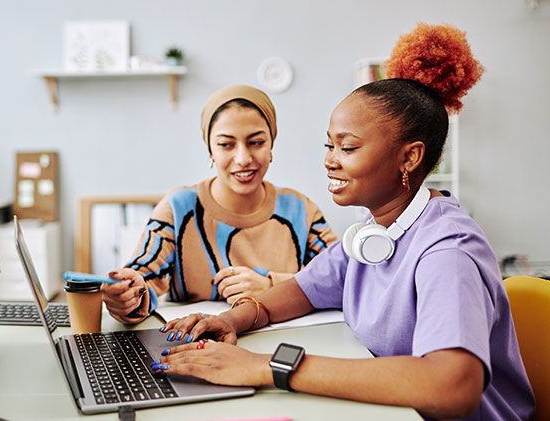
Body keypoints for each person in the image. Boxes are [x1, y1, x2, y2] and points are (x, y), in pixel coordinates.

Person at [151, 23, 535, 420]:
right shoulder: (374, 234)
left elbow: (453, 386)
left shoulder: (447, 251)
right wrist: (231, 319)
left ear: (409, 158)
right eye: (328, 145)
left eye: (347, 147)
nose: (330, 159)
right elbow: (301, 291)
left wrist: (267, 366)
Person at [101, 85, 338, 323]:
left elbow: (347, 281)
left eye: (256, 142)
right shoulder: (179, 208)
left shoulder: (300, 210)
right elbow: (141, 281)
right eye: (226, 145)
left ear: (271, 145)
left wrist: (271, 285)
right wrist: (126, 297)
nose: (243, 158)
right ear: (211, 151)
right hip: (195, 349)